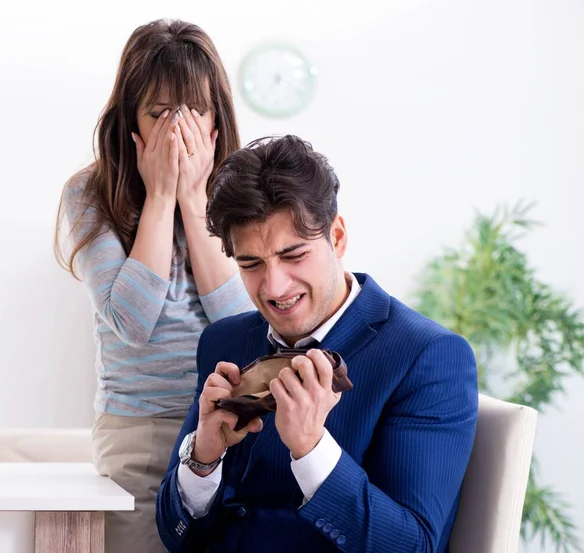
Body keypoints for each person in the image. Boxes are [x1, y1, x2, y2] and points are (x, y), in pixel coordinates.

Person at [156, 134, 479, 552]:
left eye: (293, 256)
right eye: (251, 264)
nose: (274, 287)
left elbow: (413, 546)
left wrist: (311, 448)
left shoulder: (427, 357)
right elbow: (173, 533)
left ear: (337, 237)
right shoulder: (223, 341)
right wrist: (202, 460)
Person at [54, 19, 255, 553]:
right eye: (160, 113)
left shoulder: (243, 193)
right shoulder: (90, 194)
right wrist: (162, 196)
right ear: (131, 125)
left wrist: (195, 202)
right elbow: (132, 324)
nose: (176, 132)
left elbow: (243, 320)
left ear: (216, 126)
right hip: (137, 434)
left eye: (191, 113)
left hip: (235, 428)